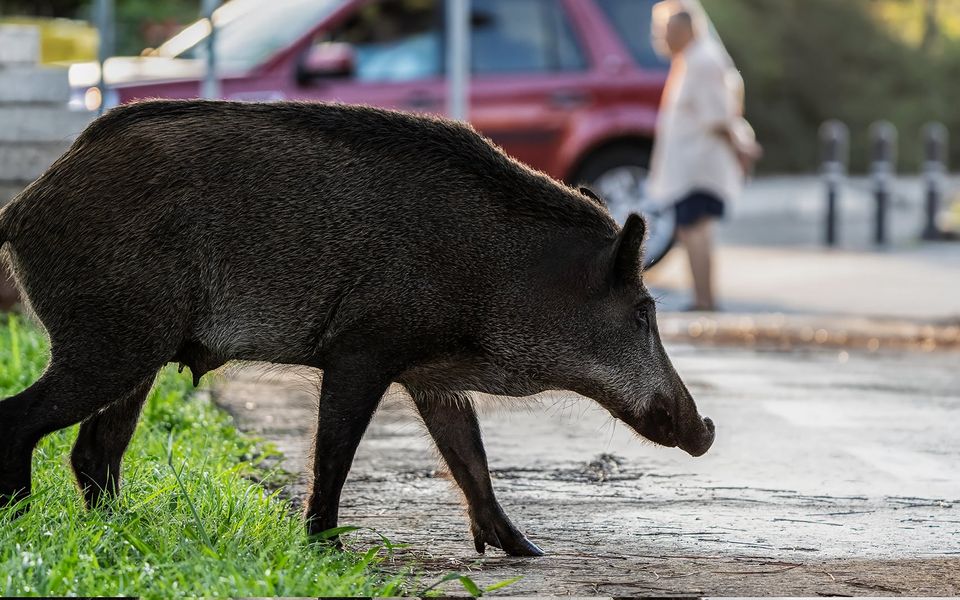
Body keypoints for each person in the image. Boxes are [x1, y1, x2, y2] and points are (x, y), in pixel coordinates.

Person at [648, 0, 761, 312]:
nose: (661, 38)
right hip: (689, 165)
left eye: (666, 31)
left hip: (699, 166)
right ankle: (703, 297)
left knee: (696, 227)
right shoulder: (690, 60)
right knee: (691, 228)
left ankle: (705, 299)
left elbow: (719, 116)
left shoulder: (703, 62)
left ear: (684, 30)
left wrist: (740, 148)